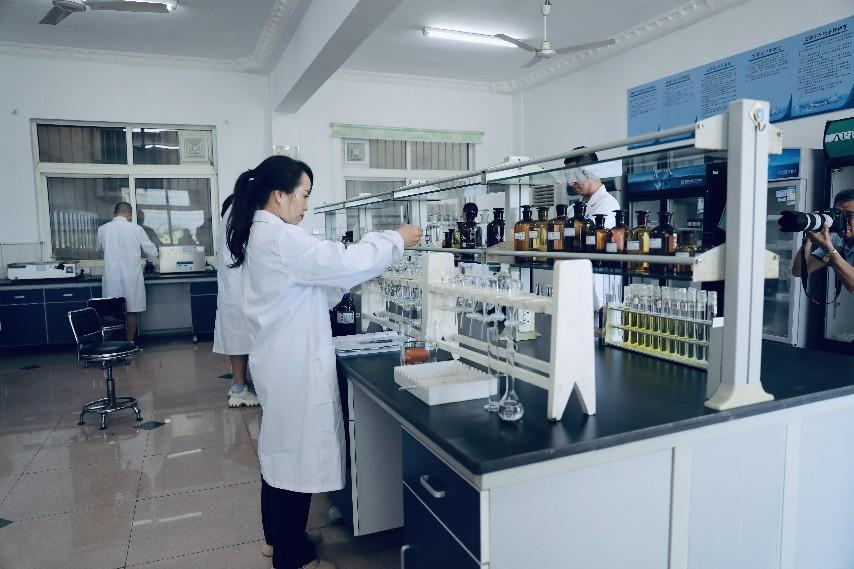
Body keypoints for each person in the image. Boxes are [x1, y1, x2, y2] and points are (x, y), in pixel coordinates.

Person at [226, 155, 422, 569]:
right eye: (303, 195)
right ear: (279, 196)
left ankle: (278, 540)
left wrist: (350, 276)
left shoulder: (263, 234)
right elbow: (343, 261)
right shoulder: (282, 238)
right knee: (294, 460)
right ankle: (293, 558)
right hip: (293, 364)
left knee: (281, 454)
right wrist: (396, 239)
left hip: (279, 360)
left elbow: (317, 280)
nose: (306, 205)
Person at [213, 194, 260, 408]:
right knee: (244, 339)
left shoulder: (230, 215)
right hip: (242, 287)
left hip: (233, 288)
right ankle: (241, 389)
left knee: (237, 338)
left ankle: (239, 385)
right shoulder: (244, 213)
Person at [564, 148, 622, 311]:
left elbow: (594, 245)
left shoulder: (609, 205)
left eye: (574, 176)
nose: (570, 183)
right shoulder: (572, 209)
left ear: (590, 171)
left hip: (598, 294)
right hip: (574, 286)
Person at [97, 202, 159, 343]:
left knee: (111, 311)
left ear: (114, 214)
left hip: (111, 277)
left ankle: (112, 346)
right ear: (130, 214)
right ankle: (129, 343)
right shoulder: (136, 229)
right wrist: (151, 262)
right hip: (132, 277)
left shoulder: (102, 229)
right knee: (131, 311)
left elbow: (99, 250)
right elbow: (152, 252)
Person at [791, 188, 854, 293]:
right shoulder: (836, 240)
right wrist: (809, 238)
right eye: (838, 214)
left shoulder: (831, 244)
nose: (842, 221)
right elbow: (799, 271)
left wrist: (829, 249)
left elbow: (852, 285)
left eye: (850, 215)